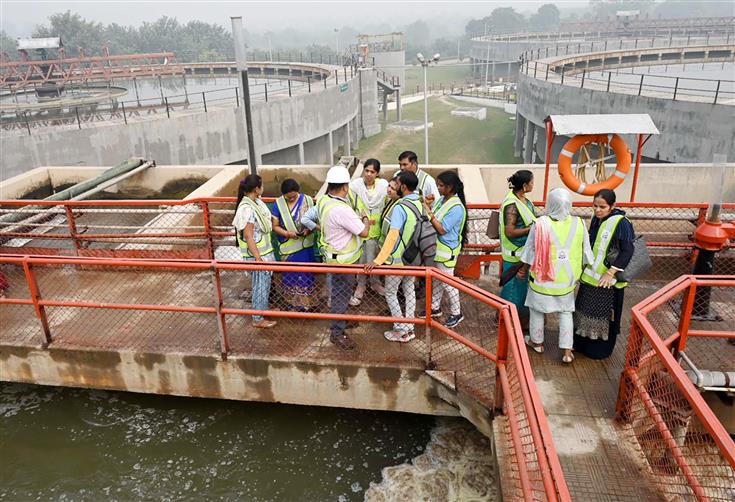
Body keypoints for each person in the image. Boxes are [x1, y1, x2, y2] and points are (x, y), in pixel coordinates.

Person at [519, 188, 593, 364]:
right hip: (566, 281)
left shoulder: (540, 224)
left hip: (542, 280)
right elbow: (587, 253)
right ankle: (567, 352)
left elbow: (530, 251)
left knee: (536, 310)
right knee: (566, 313)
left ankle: (537, 343)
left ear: (549, 203)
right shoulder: (579, 223)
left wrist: (523, 269)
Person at [574, 189, 635, 360]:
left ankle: (599, 350)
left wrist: (611, 272)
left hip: (608, 283)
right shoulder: (597, 219)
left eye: (602, 207)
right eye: (595, 206)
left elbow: (627, 250)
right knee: (584, 312)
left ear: (612, 206)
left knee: (603, 317)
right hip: (590, 279)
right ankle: (580, 344)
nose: (598, 210)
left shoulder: (622, 223)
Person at [365, 171, 421, 343]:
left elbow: (392, 236)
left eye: (396, 183)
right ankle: (409, 327)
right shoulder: (418, 203)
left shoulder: (400, 207)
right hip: (412, 257)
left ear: (403, 186)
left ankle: (401, 329)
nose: (394, 186)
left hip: (397, 259)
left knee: (390, 292)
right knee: (409, 289)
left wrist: (378, 260)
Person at [318, 165, 369, 351]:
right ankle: (337, 332)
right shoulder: (341, 209)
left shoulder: (324, 200)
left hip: (334, 257)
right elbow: (364, 232)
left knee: (341, 294)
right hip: (343, 262)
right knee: (341, 295)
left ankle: (340, 321)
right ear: (345, 187)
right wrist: (364, 217)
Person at [233, 174, 278, 329]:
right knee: (260, 285)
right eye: (262, 185)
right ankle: (258, 318)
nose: (263, 188)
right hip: (259, 255)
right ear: (257, 188)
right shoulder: (247, 209)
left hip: (264, 253)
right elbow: (248, 235)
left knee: (263, 285)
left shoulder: (255, 203)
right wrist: (258, 258)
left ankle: (262, 310)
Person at [424, 170, 468, 328]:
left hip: (446, 251)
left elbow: (442, 229)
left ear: (450, 187)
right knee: (437, 280)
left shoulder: (456, 207)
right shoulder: (442, 200)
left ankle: (457, 312)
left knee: (448, 284)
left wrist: (429, 212)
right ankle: (434, 308)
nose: (438, 188)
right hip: (437, 249)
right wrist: (429, 206)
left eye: (441, 185)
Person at [271, 178, 319, 312]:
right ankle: (293, 304)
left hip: (306, 247)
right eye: (288, 197)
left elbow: (315, 219)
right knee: (291, 276)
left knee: (306, 275)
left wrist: (309, 229)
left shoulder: (308, 200)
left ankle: (307, 304)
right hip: (289, 248)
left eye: (294, 196)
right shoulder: (278, 204)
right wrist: (287, 233)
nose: (292, 199)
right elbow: (274, 226)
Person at [499, 170, 537, 324]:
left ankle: (517, 321)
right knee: (512, 292)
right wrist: (533, 229)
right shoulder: (512, 205)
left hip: (525, 254)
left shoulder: (524, 201)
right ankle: (506, 323)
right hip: (515, 256)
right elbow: (510, 232)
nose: (533, 184)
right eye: (532, 182)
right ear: (524, 185)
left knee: (520, 292)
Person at [348, 159, 388, 306]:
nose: (369, 174)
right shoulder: (355, 187)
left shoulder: (383, 186)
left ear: (377, 173)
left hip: (377, 231)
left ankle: (375, 283)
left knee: (374, 258)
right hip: (360, 229)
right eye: (367, 170)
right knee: (361, 259)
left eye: (372, 172)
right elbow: (351, 206)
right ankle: (361, 284)